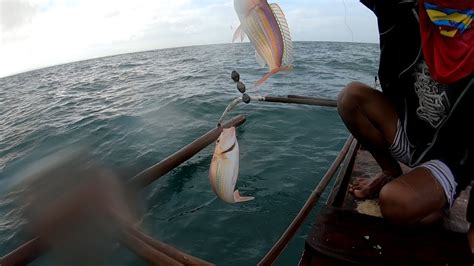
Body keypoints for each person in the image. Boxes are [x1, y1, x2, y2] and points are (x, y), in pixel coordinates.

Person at [337, 0, 473, 231]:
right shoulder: (399, 8)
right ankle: (390, 171)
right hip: (410, 135)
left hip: (449, 159)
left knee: (395, 203)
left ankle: (436, 196)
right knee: (350, 97)